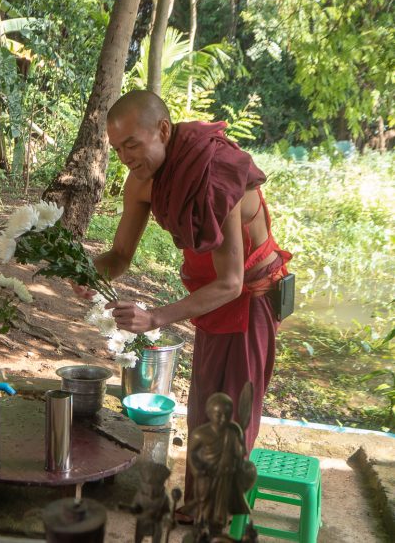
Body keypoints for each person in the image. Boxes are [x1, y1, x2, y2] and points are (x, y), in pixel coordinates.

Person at [71, 89, 291, 507]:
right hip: (211, 306)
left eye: (132, 144)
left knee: (230, 421)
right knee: (203, 415)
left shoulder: (216, 174)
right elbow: (118, 256)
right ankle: (198, 514)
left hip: (249, 303)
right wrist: (85, 274)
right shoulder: (140, 183)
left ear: (164, 130)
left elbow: (231, 282)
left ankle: (218, 524)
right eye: (117, 148)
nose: (125, 157)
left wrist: (155, 317)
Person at [185, 393, 256, 534]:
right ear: (209, 413)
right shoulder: (200, 434)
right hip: (207, 475)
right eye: (218, 414)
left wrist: (238, 445)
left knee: (220, 512)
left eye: (227, 414)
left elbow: (240, 453)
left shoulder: (234, 430)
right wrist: (196, 470)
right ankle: (200, 529)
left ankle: (216, 532)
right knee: (203, 508)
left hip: (226, 477)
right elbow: (191, 454)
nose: (222, 418)